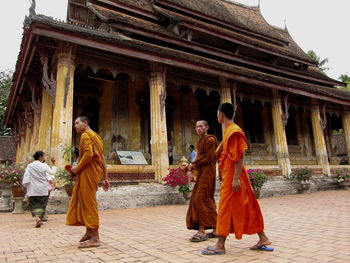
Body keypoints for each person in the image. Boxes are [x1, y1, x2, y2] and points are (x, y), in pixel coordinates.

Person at [201, 103, 273, 255]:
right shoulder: (228, 131)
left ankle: (220, 244)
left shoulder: (234, 131)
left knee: (225, 207)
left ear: (221, 115)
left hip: (234, 176)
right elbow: (224, 151)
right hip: (232, 174)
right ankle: (263, 238)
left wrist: (235, 179)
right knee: (246, 205)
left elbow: (239, 157)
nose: (216, 116)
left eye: (217, 113)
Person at [66, 116, 110, 248]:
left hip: (87, 173)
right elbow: (102, 158)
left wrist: (76, 169)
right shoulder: (96, 136)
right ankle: (89, 232)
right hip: (93, 173)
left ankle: (95, 238)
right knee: (85, 201)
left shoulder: (86, 135)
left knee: (89, 203)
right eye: (75, 123)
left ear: (85, 123)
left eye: (77, 123)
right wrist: (105, 177)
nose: (75, 126)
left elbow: (89, 154)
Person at [186, 120, 218, 242]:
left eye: (201, 126)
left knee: (199, 198)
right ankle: (216, 228)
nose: (198, 129)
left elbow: (210, 158)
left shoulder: (210, 140)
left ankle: (202, 229)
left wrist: (194, 163)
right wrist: (193, 164)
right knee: (206, 199)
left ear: (207, 127)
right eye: (197, 127)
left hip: (208, 173)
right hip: (202, 173)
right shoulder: (200, 141)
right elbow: (200, 155)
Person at [22, 151, 56, 228]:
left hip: (33, 188)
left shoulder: (30, 166)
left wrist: (25, 185)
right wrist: (54, 164)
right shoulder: (44, 165)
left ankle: (37, 218)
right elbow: (52, 172)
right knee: (42, 204)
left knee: (33, 204)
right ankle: (39, 218)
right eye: (44, 156)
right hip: (42, 189)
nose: (45, 157)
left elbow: (27, 176)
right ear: (40, 157)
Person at [41, 157, 57, 222]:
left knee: (41, 200)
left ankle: (41, 215)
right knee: (44, 200)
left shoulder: (33, 166)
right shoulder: (45, 166)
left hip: (37, 186)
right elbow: (50, 176)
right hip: (45, 186)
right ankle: (43, 215)